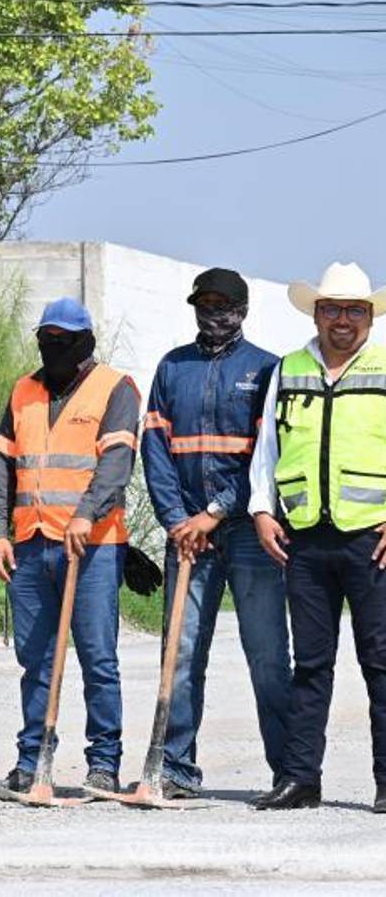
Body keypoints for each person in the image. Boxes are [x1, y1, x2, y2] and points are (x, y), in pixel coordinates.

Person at [142, 268, 291, 799]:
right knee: (179, 655)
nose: (213, 313)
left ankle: (290, 772)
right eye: (204, 303)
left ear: (243, 310)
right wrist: (177, 520)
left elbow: (266, 457)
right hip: (187, 533)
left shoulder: (267, 370)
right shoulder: (172, 367)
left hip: (250, 532)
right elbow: (155, 448)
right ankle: (175, 769)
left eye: (224, 304)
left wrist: (219, 511)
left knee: (269, 654)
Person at [0, 297, 140, 796]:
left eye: (64, 340)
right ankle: (34, 759)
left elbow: (116, 463)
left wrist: (86, 512)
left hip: (92, 547)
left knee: (98, 658)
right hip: (30, 545)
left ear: (85, 341)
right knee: (37, 659)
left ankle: (103, 764)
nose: (54, 347)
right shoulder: (23, 391)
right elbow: (2, 470)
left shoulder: (115, 388)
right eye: (47, 338)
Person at [249, 262, 386, 812]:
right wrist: (261, 510)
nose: (344, 320)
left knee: (381, 663)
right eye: (333, 309)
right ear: (317, 314)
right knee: (309, 666)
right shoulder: (289, 369)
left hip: (370, 541)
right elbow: (268, 450)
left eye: (356, 310)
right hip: (304, 540)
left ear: (371, 317)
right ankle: (301, 779)